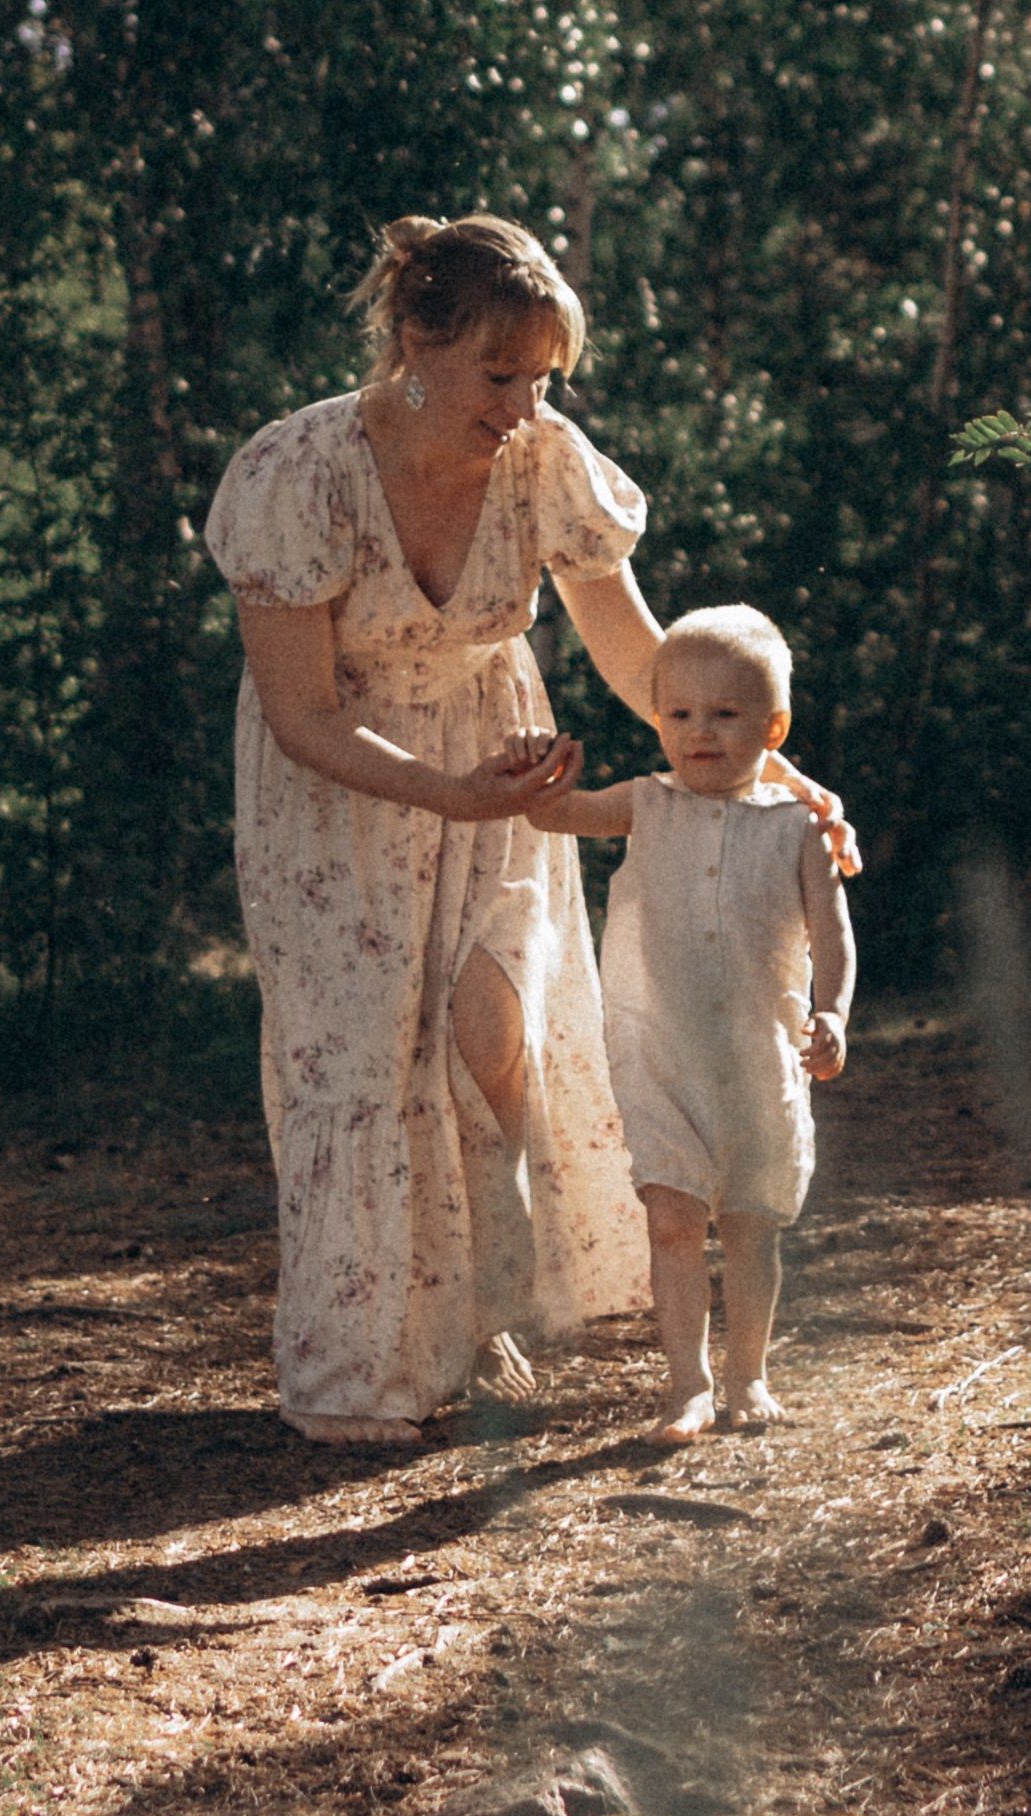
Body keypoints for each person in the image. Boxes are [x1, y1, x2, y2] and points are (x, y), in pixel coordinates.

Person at [204, 214, 851, 1447]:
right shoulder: (297, 476)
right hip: (338, 793)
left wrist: (773, 773)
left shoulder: (541, 459)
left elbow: (639, 656)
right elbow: (299, 717)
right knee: (361, 1057)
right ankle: (356, 1366)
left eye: (540, 378)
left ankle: (485, 1306)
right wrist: (446, 791)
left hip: (498, 760)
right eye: (497, 374)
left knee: (489, 1023)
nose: (520, 406)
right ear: (413, 340)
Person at [526, 602, 857, 1439]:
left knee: (748, 1226)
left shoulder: (798, 828)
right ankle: (687, 1385)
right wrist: (540, 773)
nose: (698, 731)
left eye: (724, 713)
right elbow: (555, 816)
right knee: (673, 1220)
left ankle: (748, 1374)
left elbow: (833, 937)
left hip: (759, 1062)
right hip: (661, 1058)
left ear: (772, 727)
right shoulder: (645, 801)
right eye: (677, 713)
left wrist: (832, 1012)